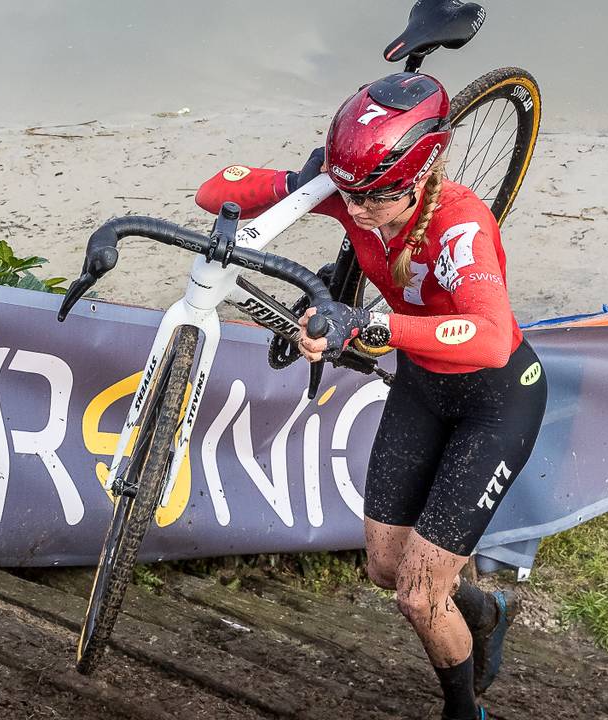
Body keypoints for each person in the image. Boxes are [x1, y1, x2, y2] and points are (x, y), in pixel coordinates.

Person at [195, 72, 547, 720]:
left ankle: (465, 713)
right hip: (422, 388)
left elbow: (493, 337)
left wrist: (370, 326)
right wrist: (305, 181)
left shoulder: (459, 225)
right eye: (348, 195)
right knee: (387, 567)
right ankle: (487, 609)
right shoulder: (353, 192)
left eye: (374, 198)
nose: (355, 211)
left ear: (419, 179)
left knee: (417, 595)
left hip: (493, 401)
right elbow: (214, 190)